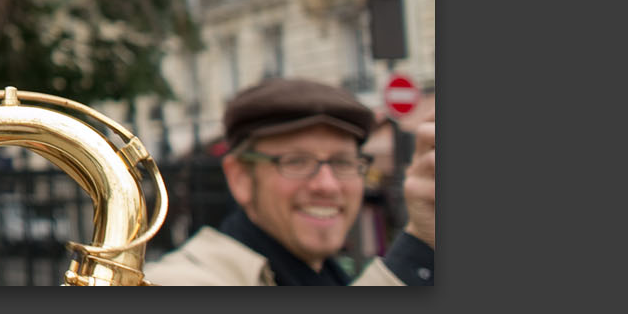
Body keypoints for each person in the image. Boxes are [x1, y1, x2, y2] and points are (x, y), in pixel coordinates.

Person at [144, 78, 435, 286]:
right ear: (240, 177)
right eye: (296, 162)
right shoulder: (181, 280)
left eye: (343, 162)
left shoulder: (326, 276)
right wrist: (420, 243)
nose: (327, 185)